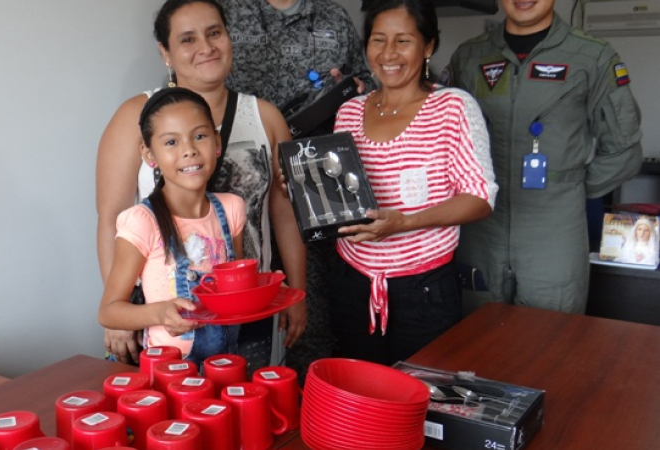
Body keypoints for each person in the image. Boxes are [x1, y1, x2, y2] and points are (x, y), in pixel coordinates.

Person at [95, 0, 306, 367]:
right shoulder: (135, 116)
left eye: (214, 33)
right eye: (187, 39)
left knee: (245, 408)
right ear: (166, 52)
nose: (206, 48)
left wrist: (298, 293)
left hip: (245, 310)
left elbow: (285, 214)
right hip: (166, 321)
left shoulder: (266, 116)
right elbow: (111, 216)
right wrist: (121, 310)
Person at [444, 0, 644, 314]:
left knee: (551, 344)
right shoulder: (469, 57)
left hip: (554, 234)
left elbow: (624, 152)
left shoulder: (592, 56)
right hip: (480, 230)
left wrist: (567, 187)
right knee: (474, 342)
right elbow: (442, 143)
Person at [328, 0, 497, 366]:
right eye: (378, 40)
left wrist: (405, 222)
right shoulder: (350, 111)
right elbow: (339, 196)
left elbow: (480, 197)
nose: (388, 54)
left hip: (423, 292)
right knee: (362, 398)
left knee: (419, 405)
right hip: (351, 282)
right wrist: (299, 189)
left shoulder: (452, 107)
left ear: (428, 46)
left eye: (403, 40)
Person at [219, 0, 375, 382]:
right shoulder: (225, 11)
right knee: (229, 329)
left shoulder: (333, 16)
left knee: (311, 321)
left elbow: (368, 84)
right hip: (240, 190)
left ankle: (305, 420)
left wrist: (353, 90)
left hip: (312, 190)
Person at [98, 87, 246, 365]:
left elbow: (235, 285)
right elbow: (109, 311)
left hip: (225, 366)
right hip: (169, 374)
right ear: (148, 154)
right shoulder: (143, 222)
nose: (189, 150)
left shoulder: (231, 208)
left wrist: (268, 287)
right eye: (171, 142)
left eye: (199, 136)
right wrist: (159, 313)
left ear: (216, 143)